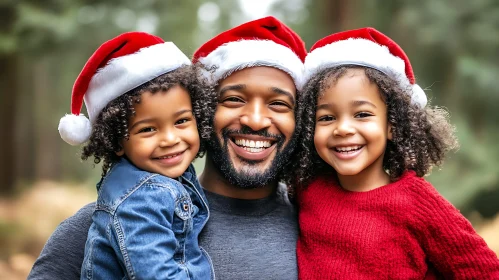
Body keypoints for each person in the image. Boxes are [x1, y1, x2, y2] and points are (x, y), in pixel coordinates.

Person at [28, 16, 307, 279]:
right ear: (203, 110)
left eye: (279, 104)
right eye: (234, 99)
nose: (255, 120)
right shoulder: (113, 221)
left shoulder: (318, 227)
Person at [292, 27, 499, 279]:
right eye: (326, 117)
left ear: (392, 125)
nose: (343, 128)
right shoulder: (307, 189)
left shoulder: (418, 203)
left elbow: (483, 270)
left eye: (362, 114)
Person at [57, 32, 214, 279]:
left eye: (182, 121)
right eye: (148, 129)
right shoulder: (141, 200)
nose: (170, 139)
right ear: (117, 141)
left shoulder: (157, 184)